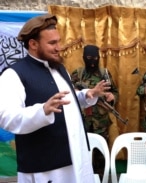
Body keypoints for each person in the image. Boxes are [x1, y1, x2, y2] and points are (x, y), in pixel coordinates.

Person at [0, 14, 110, 183]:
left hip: (76, 160)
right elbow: (7, 118)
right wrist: (42, 111)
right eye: (52, 43)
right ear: (33, 44)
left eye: (59, 41)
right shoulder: (13, 74)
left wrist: (86, 95)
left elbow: (65, 102)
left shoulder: (59, 69)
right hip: (46, 170)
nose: (59, 47)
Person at [70, 44, 118, 176]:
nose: (93, 61)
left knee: (101, 154)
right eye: (89, 57)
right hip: (82, 120)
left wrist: (111, 97)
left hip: (100, 121)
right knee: (82, 152)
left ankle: (101, 177)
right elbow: (70, 93)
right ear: (84, 58)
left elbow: (115, 92)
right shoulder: (77, 74)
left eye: (95, 57)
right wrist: (82, 93)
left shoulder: (105, 74)